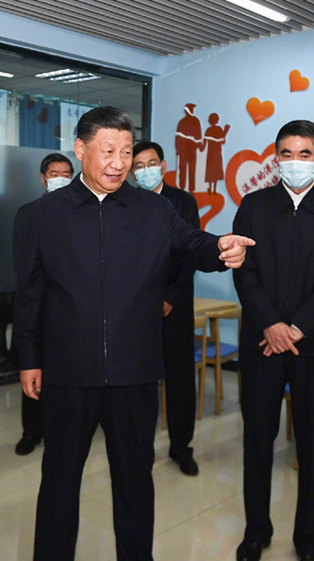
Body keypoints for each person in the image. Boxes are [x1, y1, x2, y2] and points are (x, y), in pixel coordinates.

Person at [14, 106, 254, 560]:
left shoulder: (153, 209)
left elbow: (192, 243)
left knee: (135, 482)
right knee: (59, 481)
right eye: (108, 151)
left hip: (135, 372)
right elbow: (30, 294)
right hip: (69, 372)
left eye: (126, 152)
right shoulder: (44, 215)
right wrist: (29, 358)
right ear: (81, 149)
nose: (119, 163)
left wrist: (220, 247)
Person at [231, 120, 314, 561]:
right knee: (257, 441)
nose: (295, 162)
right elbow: (244, 273)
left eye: (305, 154)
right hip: (261, 345)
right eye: (287, 154)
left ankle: (309, 543)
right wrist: (270, 324)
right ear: (276, 158)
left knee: (313, 446)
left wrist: (296, 328)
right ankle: (256, 532)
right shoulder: (254, 205)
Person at [131, 140, 202, 476]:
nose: (146, 170)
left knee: (179, 380)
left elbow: (190, 253)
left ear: (163, 165)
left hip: (176, 307)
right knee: (139, 383)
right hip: (137, 310)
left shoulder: (183, 201)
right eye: (139, 166)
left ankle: (181, 448)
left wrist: (170, 297)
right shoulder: (127, 203)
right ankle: (139, 448)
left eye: (151, 163)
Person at [12, 152, 74, 456]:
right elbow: (21, 264)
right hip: (38, 307)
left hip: (71, 309)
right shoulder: (27, 213)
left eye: (66, 173)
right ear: (43, 178)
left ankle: (61, 431)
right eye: (54, 174)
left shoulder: (82, 212)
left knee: (66, 375)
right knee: (33, 370)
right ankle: (31, 432)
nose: (60, 178)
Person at [175, 103, 204, 193]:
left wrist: (178, 149)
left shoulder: (191, 121)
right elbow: (178, 137)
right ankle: (186, 188)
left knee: (188, 169)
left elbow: (198, 135)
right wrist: (200, 146)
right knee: (187, 169)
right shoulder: (190, 121)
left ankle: (187, 188)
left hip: (188, 150)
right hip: (186, 150)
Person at [204, 113, 230, 194]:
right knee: (213, 171)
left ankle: (213, 189)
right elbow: (222, 140)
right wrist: (224, 132)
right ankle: (212, 189)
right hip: (214, 153)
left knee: (213, 172)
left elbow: (222, 140)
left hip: (213, 153)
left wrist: (225, 132)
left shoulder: (210, 130)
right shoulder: (215, 129)